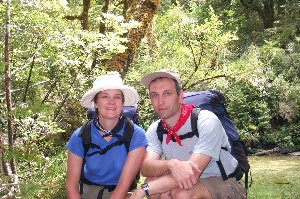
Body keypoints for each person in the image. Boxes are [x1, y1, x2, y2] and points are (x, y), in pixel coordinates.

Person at [130, 69, 246, 199]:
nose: (160, 101)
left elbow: (191, 173)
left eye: (167, 93)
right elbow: (146, 167)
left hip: (225, 181)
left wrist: (142, 191)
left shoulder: (206, 121)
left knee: (182, 194)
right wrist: (170, 164)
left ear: (180, 96)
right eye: (154, 95)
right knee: (154, 186)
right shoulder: (156, 129)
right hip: (184, 181)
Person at [66, 71, 148, 199]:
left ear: (122, 102)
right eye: (105, 96)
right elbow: (71, 186)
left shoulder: (136, 135)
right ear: (96, 103)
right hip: (87, 193)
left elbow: (123, 185)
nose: (111, 102)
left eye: (117, 97)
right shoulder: (81, 136)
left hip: (122, 194)